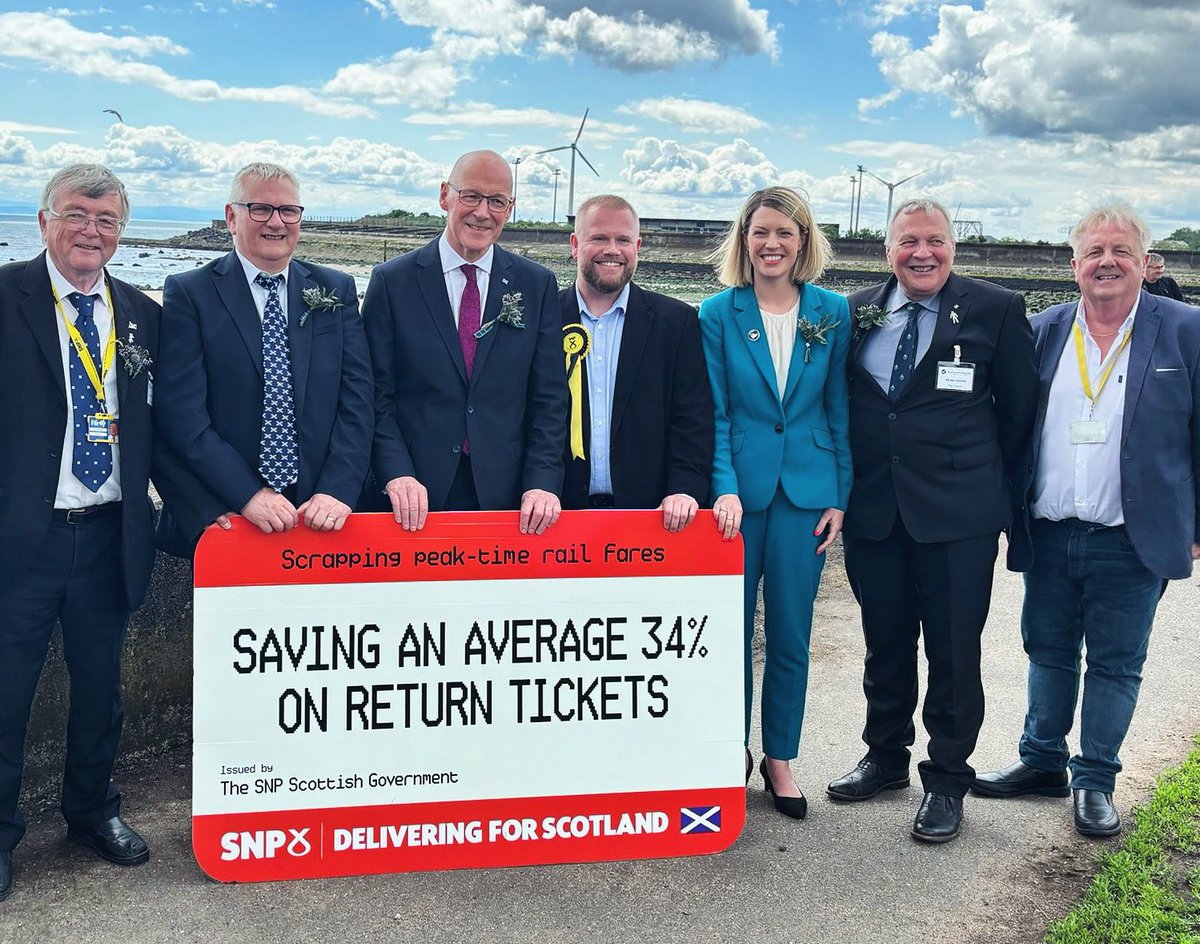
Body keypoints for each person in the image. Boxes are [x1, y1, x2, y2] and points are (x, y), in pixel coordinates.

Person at [972, 205, 1200, 838]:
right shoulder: (1044, 331)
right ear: (1073, 265)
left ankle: (1095, 779)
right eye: (1094, 251)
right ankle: (1040, 761)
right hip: (1049, 530)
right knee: (1046, 651)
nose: (1107, 262)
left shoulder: (1185, 331)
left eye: (1122, 251)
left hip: (1133, 537)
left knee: (1116, 662)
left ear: (1147, 263)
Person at [827, 198, 1037, 843]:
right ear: (887, 249)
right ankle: (886, 757)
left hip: (958, 515)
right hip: (876, 511)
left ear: (954, 246)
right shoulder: (855, 310)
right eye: (908, 241)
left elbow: (1021, 413)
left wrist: (994, 496)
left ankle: (947, 779)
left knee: (952, 651)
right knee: (884, 643)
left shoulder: (995, 310)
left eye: (935, 240)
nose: (923, 252)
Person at [0, 164, 161, 900]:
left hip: (107, 536)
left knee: (101, 692)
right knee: (6, 695)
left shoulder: (140, 314)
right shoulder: (6, 297)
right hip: (21, 540)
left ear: (121, 233)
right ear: (43, 222)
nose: (91, 231)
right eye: (76, 215)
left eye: (106, 220)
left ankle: (93, 812)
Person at [698, 187, 851, 820]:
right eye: (761, 232)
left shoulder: (833, 311)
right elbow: (715, 412)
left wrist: (839, 493)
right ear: (744, 239)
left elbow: (837, 407)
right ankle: (730, 749)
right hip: (739, 497)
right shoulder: (716, 313)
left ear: (804, 241)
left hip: (806, 495)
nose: (771, 244)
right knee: (730, 633)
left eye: (785, 233)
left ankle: (779, 758)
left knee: (791, 632)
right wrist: (722, 486)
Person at [154, 162, 372, 548]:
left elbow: (357, 399)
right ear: (231, 217)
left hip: (320, 513)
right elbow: (182, 415)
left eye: (288, 210)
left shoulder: (335, 289)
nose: (276, 222)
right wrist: (247, 494)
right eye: (260, 209)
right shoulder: (191, 293)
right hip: (229, 514)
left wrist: (337, 489)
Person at [364, 150, 568, 534]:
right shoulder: (392, 282)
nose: (482, 212)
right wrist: (396, 473)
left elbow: (549, 399)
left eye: (497, 201)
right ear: (445, 196)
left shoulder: (536, 285)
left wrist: (542, 482)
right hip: (410, 497)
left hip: (508, 499)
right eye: (470, 196)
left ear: (510, 208)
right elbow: (375, 395)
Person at [559, 194, 713, 529]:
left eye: (623, 240)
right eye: (599, 238)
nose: (612, 249)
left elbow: (692, 419)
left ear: (637, 246)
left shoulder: (677, 322)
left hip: (652, 517)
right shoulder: (544, 318)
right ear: (575, 244)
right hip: (558, 515)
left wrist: (685, 489)